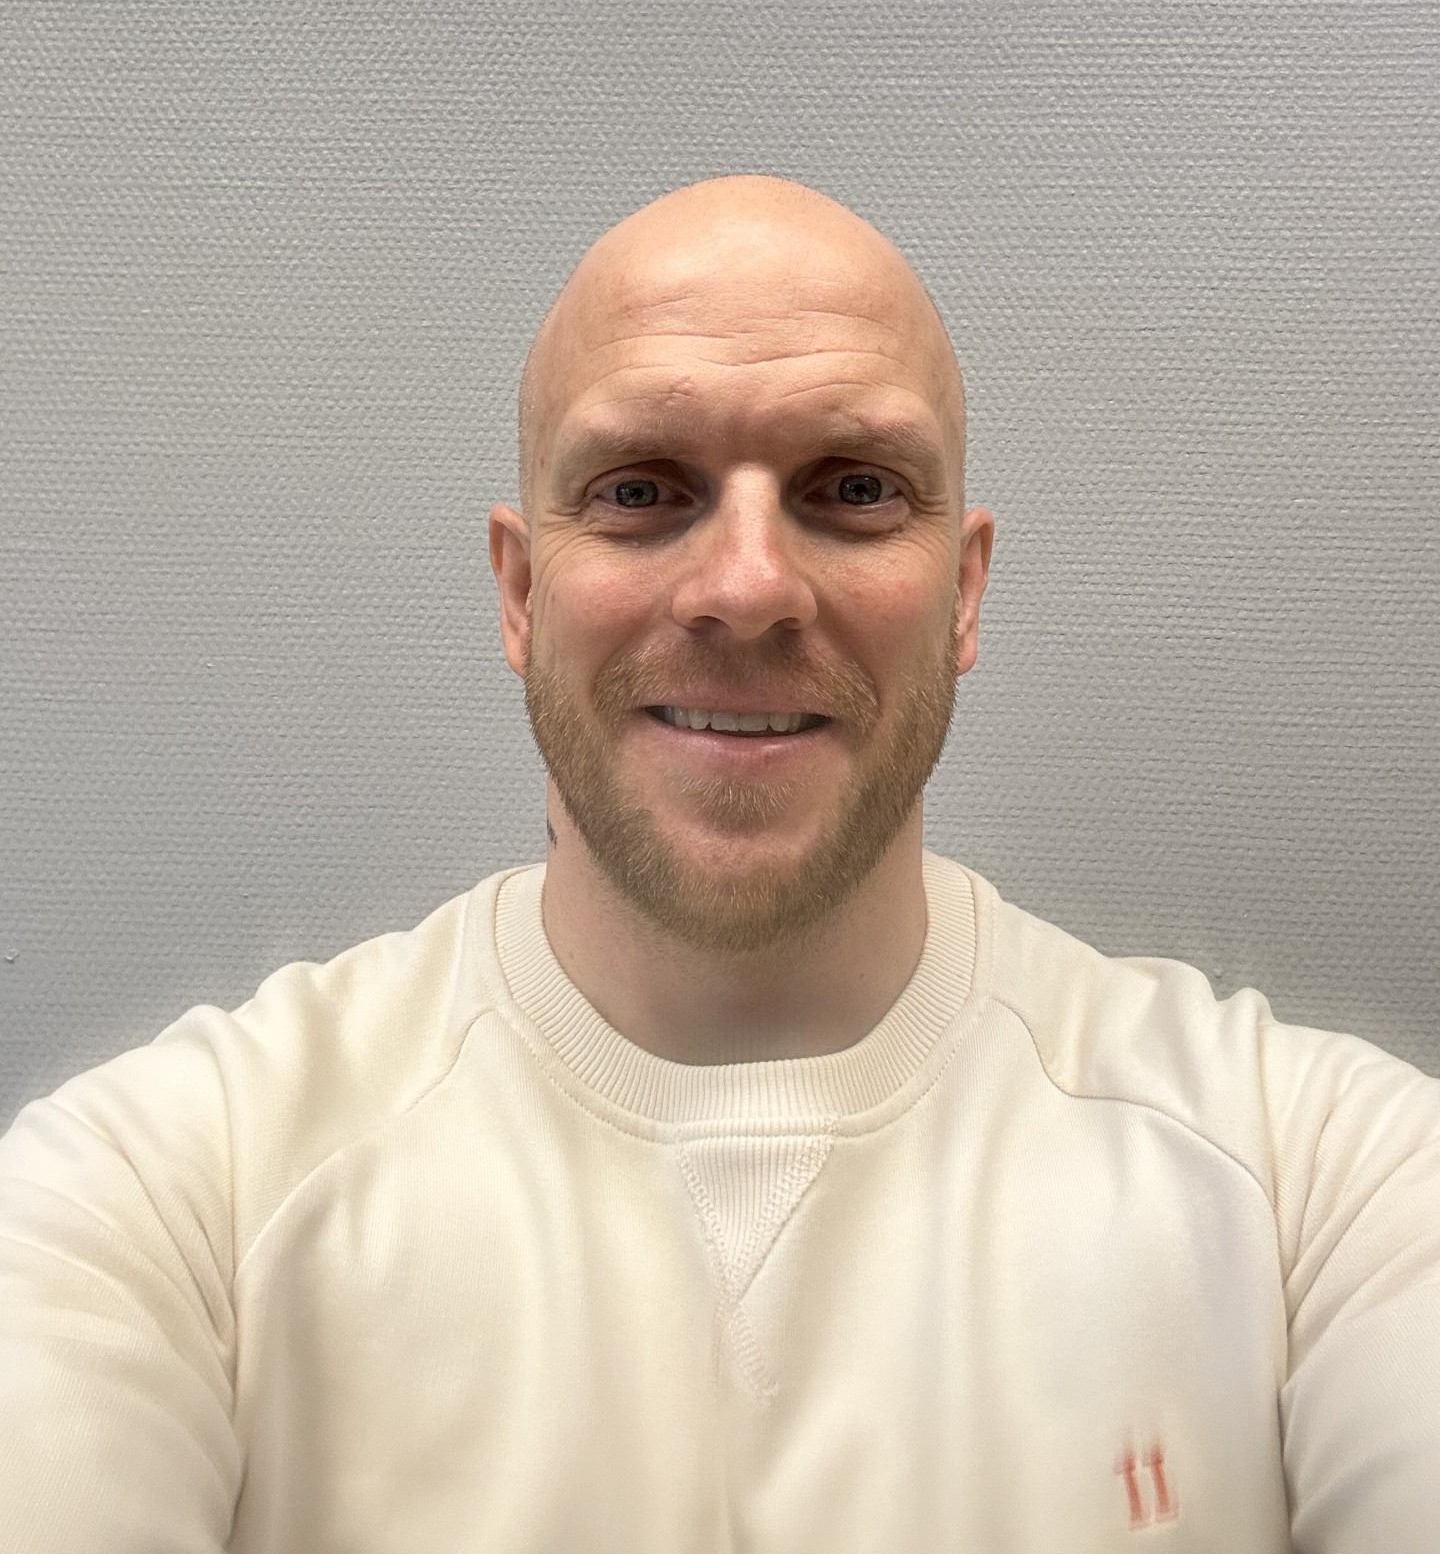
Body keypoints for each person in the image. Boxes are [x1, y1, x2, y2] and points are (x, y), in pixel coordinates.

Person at [1, 175, 1437, 1553]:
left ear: (962, 591)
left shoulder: (1326, 1185)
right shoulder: (162, 1198)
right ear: (521, 592)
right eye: (641, 490)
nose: (747, 588)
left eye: (853, 488)